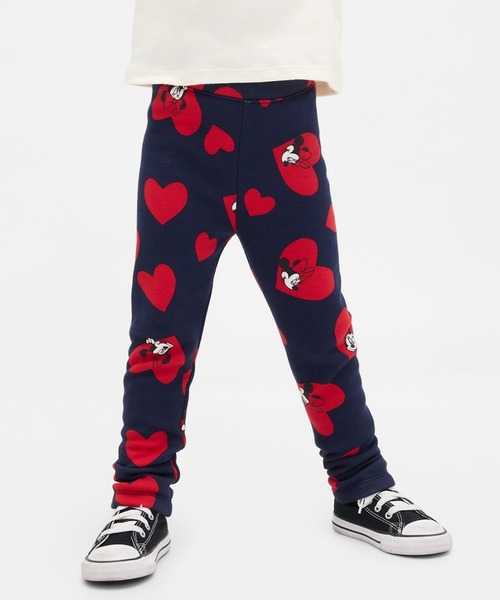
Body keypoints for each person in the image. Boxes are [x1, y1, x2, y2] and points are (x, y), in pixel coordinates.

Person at [81, 0, 452, 582]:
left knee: (319, 320)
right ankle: (138, 498)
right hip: (183, 102)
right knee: (161, 329)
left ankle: (361, 483)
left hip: (285, 103)